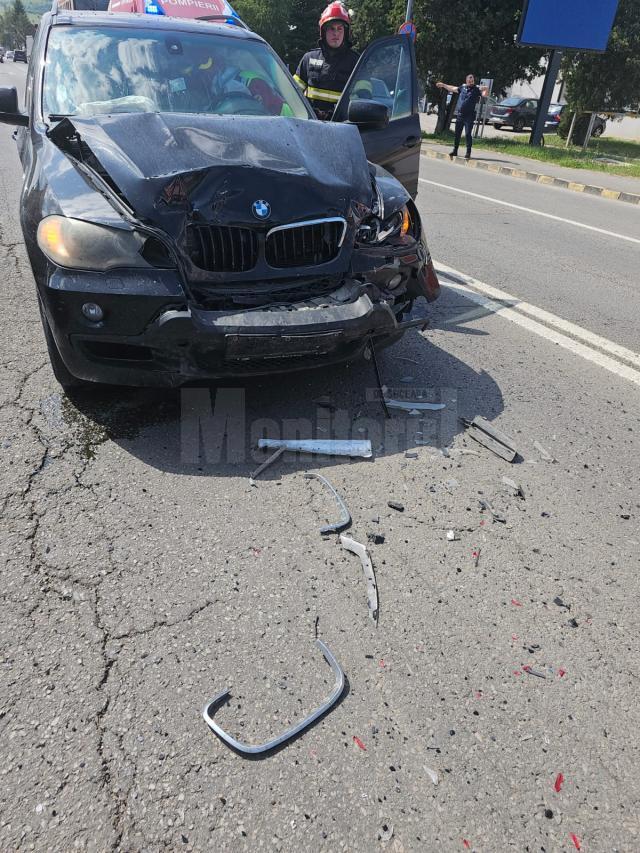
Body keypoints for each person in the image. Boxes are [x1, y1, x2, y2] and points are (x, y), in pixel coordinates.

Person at [294, 2, 359, 119]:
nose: (336, 33)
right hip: (310, 124)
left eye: (340, 29)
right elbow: (292, 93)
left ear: (346, 32)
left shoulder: (356, 62)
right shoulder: (308, 58)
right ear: (323, 32)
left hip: (342, 128)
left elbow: (362, 98)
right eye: (331, 29)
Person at [436, 74, 489, 160]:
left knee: (468, 134)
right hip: (460, 115)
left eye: (472, 81)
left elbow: (484, 95)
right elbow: (452, 88)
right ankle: (455, 151)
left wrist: (486, 89)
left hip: (469, 116)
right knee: (457, 134)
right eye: (469, 81)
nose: (471, 82)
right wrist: (443, 85)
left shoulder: (476, 89)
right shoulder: (462, 88)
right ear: (466, 81)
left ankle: (468, 152)